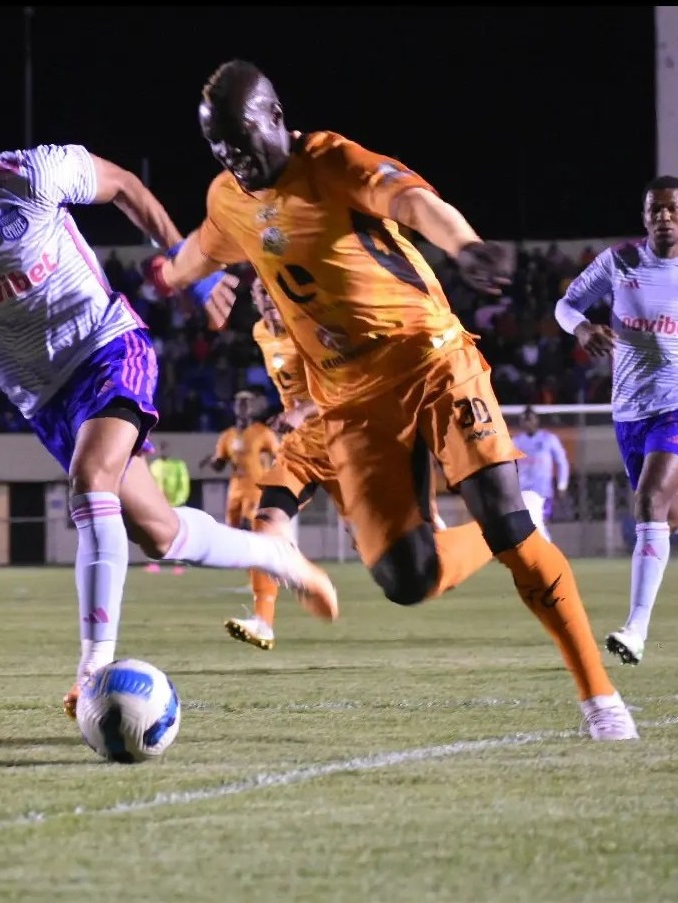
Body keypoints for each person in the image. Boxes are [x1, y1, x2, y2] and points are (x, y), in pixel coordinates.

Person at [146, 59, 637, 739]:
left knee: (507, 527)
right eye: (216, 144)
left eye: (238, 134)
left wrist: (461, 244)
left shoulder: (329, 159)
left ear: (275, 117)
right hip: (348, 402)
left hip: (429, 358)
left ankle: (600, 699)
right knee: (406, 578)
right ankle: (506, 532)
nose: (230, 153)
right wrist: (170, 278)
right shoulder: (227, 198)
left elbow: (408, 201)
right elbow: (197, 252)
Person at [0, 88, 339, 721]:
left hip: (107, 347)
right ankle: (276, 555)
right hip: (44, 399)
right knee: (159, 534)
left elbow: (122, 186)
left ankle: (93, 669)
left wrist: (187, 267)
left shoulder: (28, 174)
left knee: (91, 483)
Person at [226, 275, 481, 651]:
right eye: (259, 293)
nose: (266, 300)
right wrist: (294, 418)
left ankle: (495, 528)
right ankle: (263, 620)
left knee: (401, 562)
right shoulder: (261, 332)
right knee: (265, 522)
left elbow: (351, 382)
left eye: (271, 291)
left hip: (347, 442)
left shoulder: (313, 326)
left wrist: (304, 411)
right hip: (303, 448)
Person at [555, 175, 678, 665]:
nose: (663, 218)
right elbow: (565, 305)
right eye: (654, 210)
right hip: (629, 407)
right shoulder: (619, 261)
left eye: (672, 209)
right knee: (664, 514)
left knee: (647, 501)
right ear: (644, 217)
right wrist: (583, 328)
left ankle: (636, 629)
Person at [200, 390, 279, 530]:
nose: (243, 407)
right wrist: (212, 461)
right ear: (234, 407)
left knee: (247, 524)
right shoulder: (227, 436)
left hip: (255, 489)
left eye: (247, 403)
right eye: (239, 403)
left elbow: (280, 455)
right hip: (235, 490)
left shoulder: (263, 433)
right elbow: (220, 465)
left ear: (252, 408)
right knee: (233, 528)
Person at [512, 406, 570, 541]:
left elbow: (562, 462)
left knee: (538, 523)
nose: (527, 423)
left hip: (543, 491)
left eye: (530, 419)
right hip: (523, 491)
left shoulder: (549, 439)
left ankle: (546, 553)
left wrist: (562, 485)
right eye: (524, 420)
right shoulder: (517, 441)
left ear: (536, 420)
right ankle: (543, 553)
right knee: (530, 525)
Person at [146, 441, 190, 574]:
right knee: (154, 533)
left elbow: (184, 484)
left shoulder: (178, 465)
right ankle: (154, 563)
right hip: (158, 505)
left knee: (178, 534)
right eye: (161, 449)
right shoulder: (154, 466)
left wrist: (180, 500)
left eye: (165, 449)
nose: (163, 452)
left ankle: (179, 563)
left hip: (176, 505)